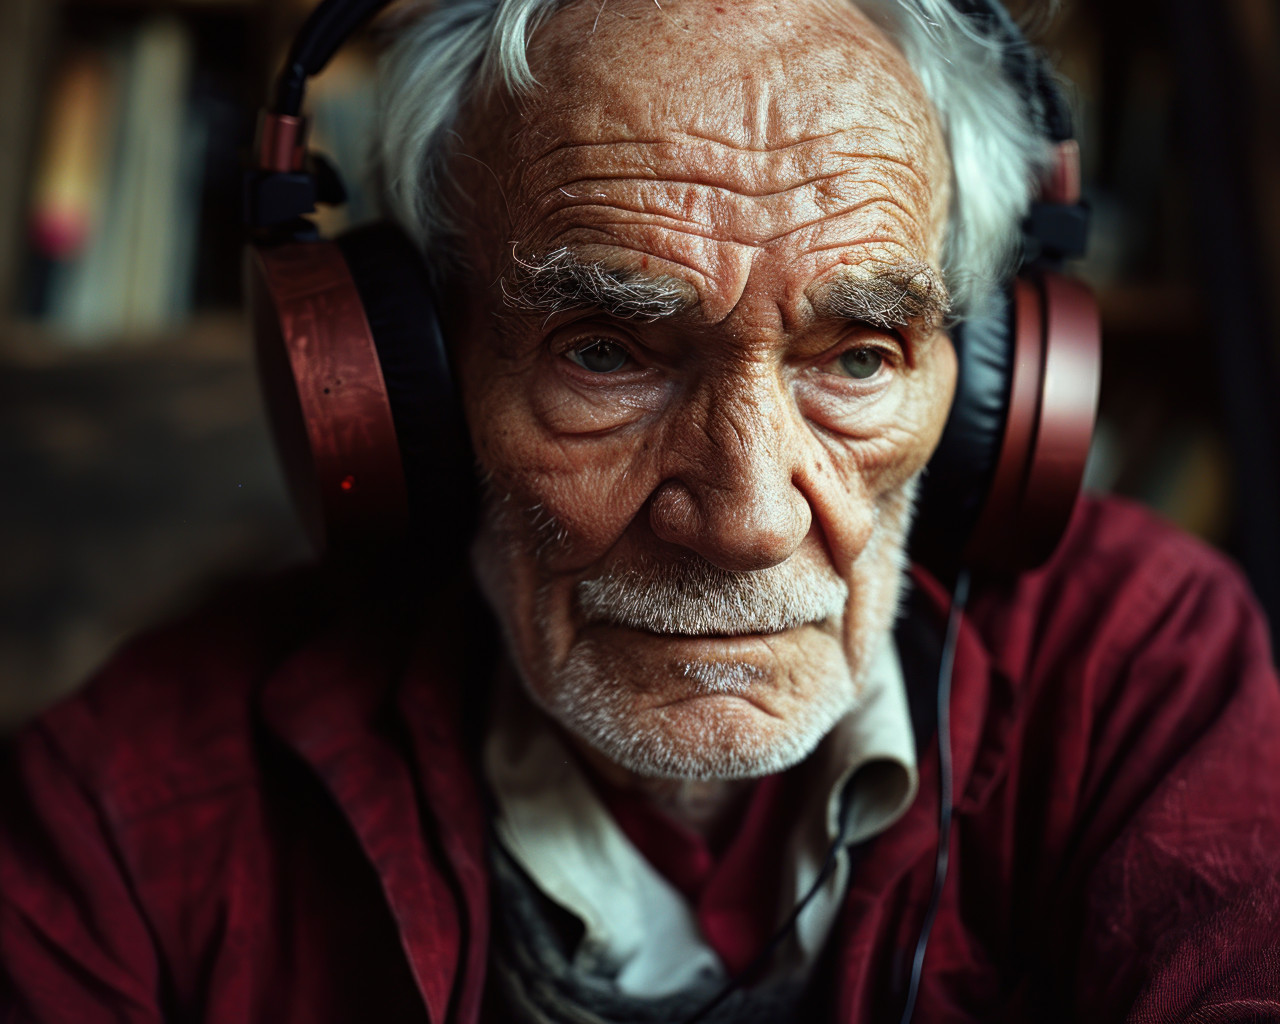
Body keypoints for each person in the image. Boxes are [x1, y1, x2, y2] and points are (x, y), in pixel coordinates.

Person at [3, 0, 1279, 1021]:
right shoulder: (123, 811)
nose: (744, 520)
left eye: (856, 357)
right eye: (605, 352)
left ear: (988, 381)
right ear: (417, 383)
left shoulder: (1140, 660)